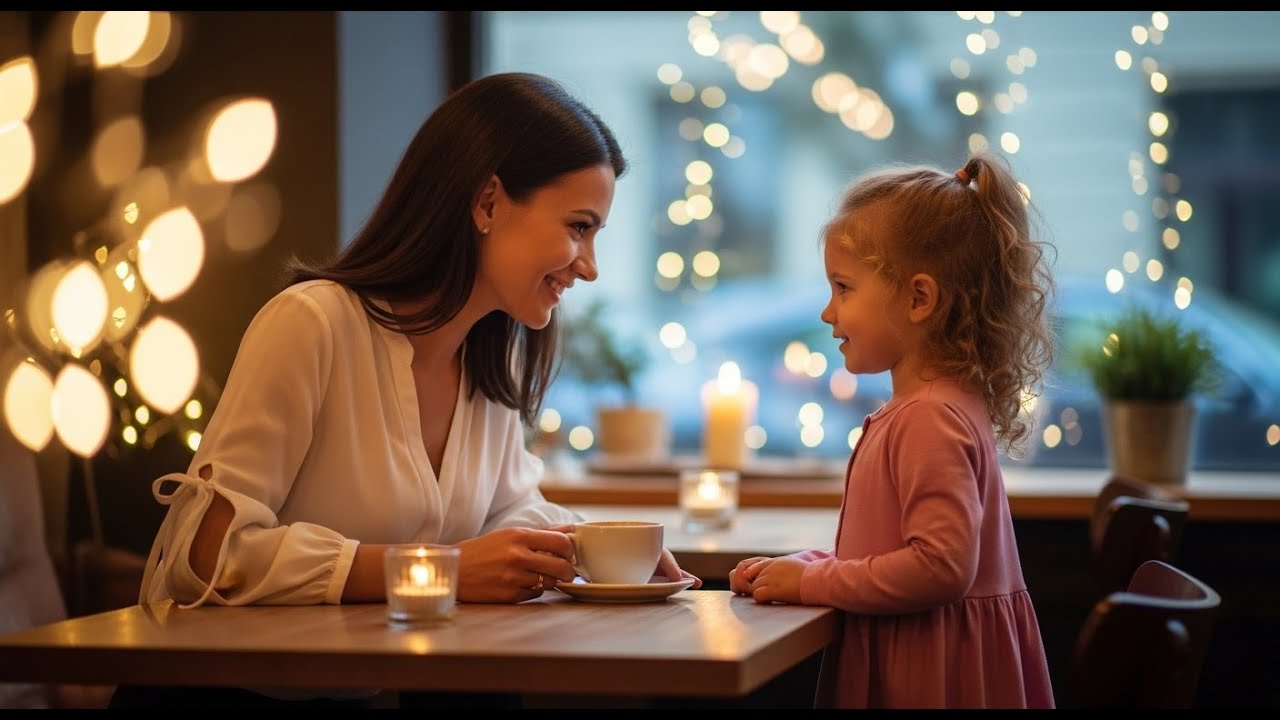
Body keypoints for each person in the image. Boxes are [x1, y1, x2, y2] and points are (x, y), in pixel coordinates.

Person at [119, 72, 699, 707]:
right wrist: (446, 569)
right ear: (487, 203)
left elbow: (510, 510)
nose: (588, 265)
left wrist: (602, 549)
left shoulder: (487, 357)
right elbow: (205, 558)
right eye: (579, 227)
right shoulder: (313, 324)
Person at [729, 153, 1056, 709]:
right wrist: (810, 566)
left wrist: (811, 584)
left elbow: (939, 568)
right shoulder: (942, 405)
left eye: (843, 288)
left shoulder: (928, 418)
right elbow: (894, 551)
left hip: (930, 673)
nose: (828, 313)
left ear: (919, 298)